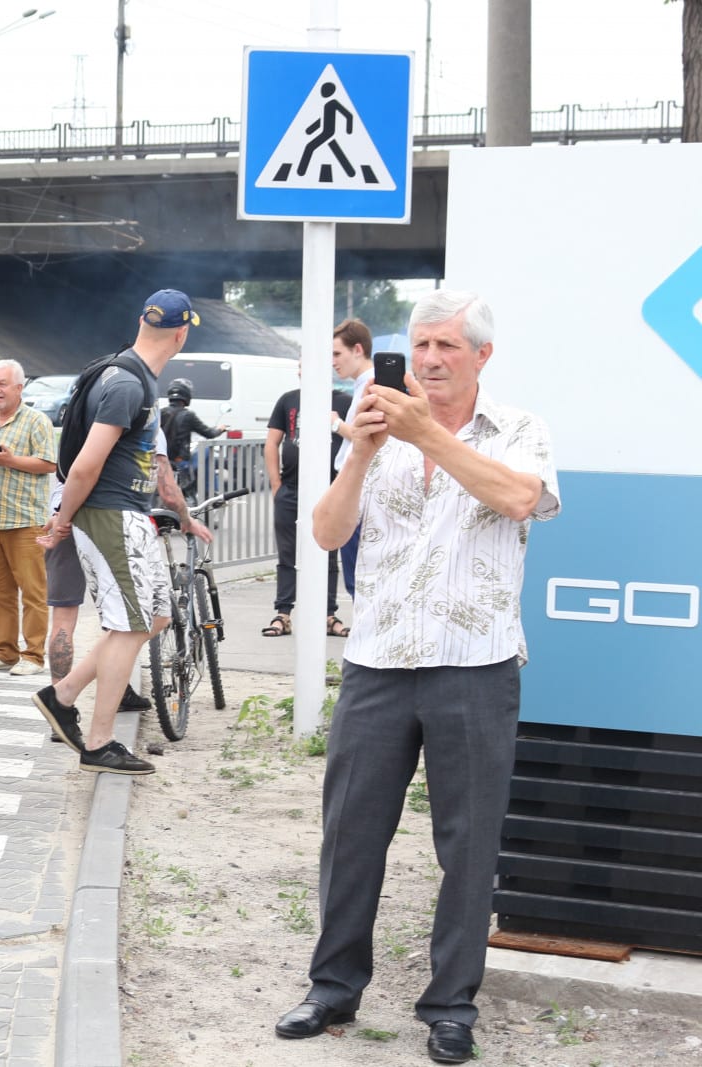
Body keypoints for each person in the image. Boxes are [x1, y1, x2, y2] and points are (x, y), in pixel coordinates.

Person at [275, 290, 559, 1065]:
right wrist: (363, 450)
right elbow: (329, 532)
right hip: (377, 659)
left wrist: (428, 433)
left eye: (447, 347)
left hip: (475, 665)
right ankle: (332, 987)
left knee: (467, 845)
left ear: (481, 357)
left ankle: (450, 1004)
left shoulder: (520, 430)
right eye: (421, 345)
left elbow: (519, 497)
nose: (430, 360)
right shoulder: (378, 426)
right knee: (352, 832)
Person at [33, 289, 202, 776]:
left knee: (155, 616)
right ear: (181, 333)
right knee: (129, 625)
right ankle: (100, 742)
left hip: (125, 513)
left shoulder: (131, 376)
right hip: (109, 515)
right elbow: (85, 466)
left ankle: (62, 695)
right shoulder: (128, 384)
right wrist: (63, 521)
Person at [0, 358, 55, 675]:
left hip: (24, 520)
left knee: (33, 591)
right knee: (0, 592)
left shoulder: (36, 421)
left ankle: (33, 655)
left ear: (19, 387)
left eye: (2, 384)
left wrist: (10, 460)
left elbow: (49, 464)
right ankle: (4, 653)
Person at [261, 370, 352, 639]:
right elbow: (272, 442)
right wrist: (276, 484)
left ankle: (328, 614)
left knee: (329, 553)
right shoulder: (289, 400)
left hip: (330, 489)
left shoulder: (344, 402)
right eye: (301, 365)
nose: (305, 370)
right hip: (290, 488)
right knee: (287, 553)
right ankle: (283, 613)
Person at [329, 318, 374, 597]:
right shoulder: (362, 384)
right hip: (354, 487)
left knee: (358, 578)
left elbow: (365, 436)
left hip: (360, 489)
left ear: (357, 349)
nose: (333, 362)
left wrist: (334, 423)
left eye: (337, 354)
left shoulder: (372, 384)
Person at [159, 377, 226, 500]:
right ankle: (211, 492)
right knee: (206, 449)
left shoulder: (161, 413)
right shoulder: (188, 415)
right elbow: (209, 433)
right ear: (187, 395)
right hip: (180, 462)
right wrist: (220, 429)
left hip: (161, 459)